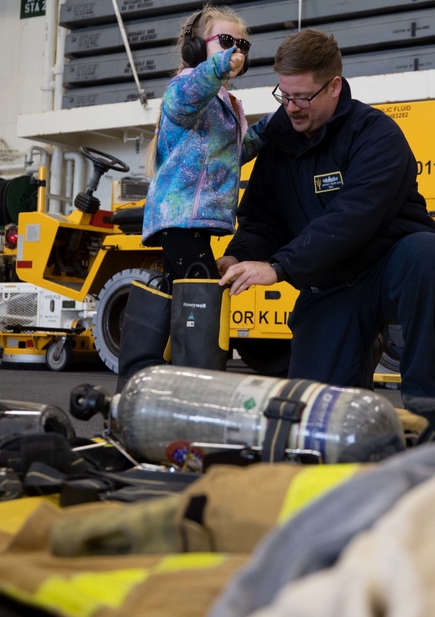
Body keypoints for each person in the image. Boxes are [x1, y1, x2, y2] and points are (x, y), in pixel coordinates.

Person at [217, 29, 435, 398]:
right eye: (284, 95)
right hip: (329, 285)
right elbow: (263, 220)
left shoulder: (375, 133)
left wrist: (280, 267)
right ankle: (354, 351)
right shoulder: (279, 147)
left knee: (430, 255)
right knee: (313, 412)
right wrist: (237, 255)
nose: (291, 107)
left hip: (387, 268)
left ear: (333, 86)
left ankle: (423, 402)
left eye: (302, 96)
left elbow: (354, 216)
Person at [117, 3, 267, 391]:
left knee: (175, 295)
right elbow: (185, 101)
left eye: (243, 44)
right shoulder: (186, 86)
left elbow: (232, 154)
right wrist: (216, 70)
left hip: (198, 219)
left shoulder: (228, 104)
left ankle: (144, 385)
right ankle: (191, 388)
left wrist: (270, 129)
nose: (237, 50)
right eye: (227, 41)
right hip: (179, 214)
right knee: (198, 294)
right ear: (198, 49)